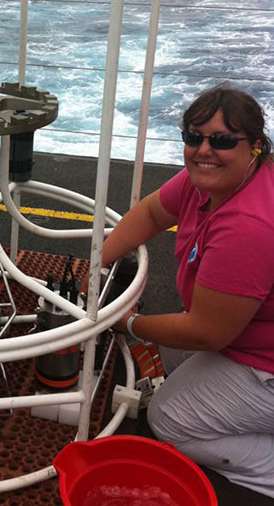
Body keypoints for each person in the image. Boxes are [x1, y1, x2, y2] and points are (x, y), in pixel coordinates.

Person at [103, 86, 274, 498]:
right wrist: (97, 265)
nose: (204, 150)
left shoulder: (248, 225)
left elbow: (207, 333)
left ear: (255, 147)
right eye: (194, 137)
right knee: (172, 355)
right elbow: (151, 212)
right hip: (246, 337)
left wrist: (123, 322)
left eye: (222, 140)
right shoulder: (208, 180)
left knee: (170, 419)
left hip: (264, 363)